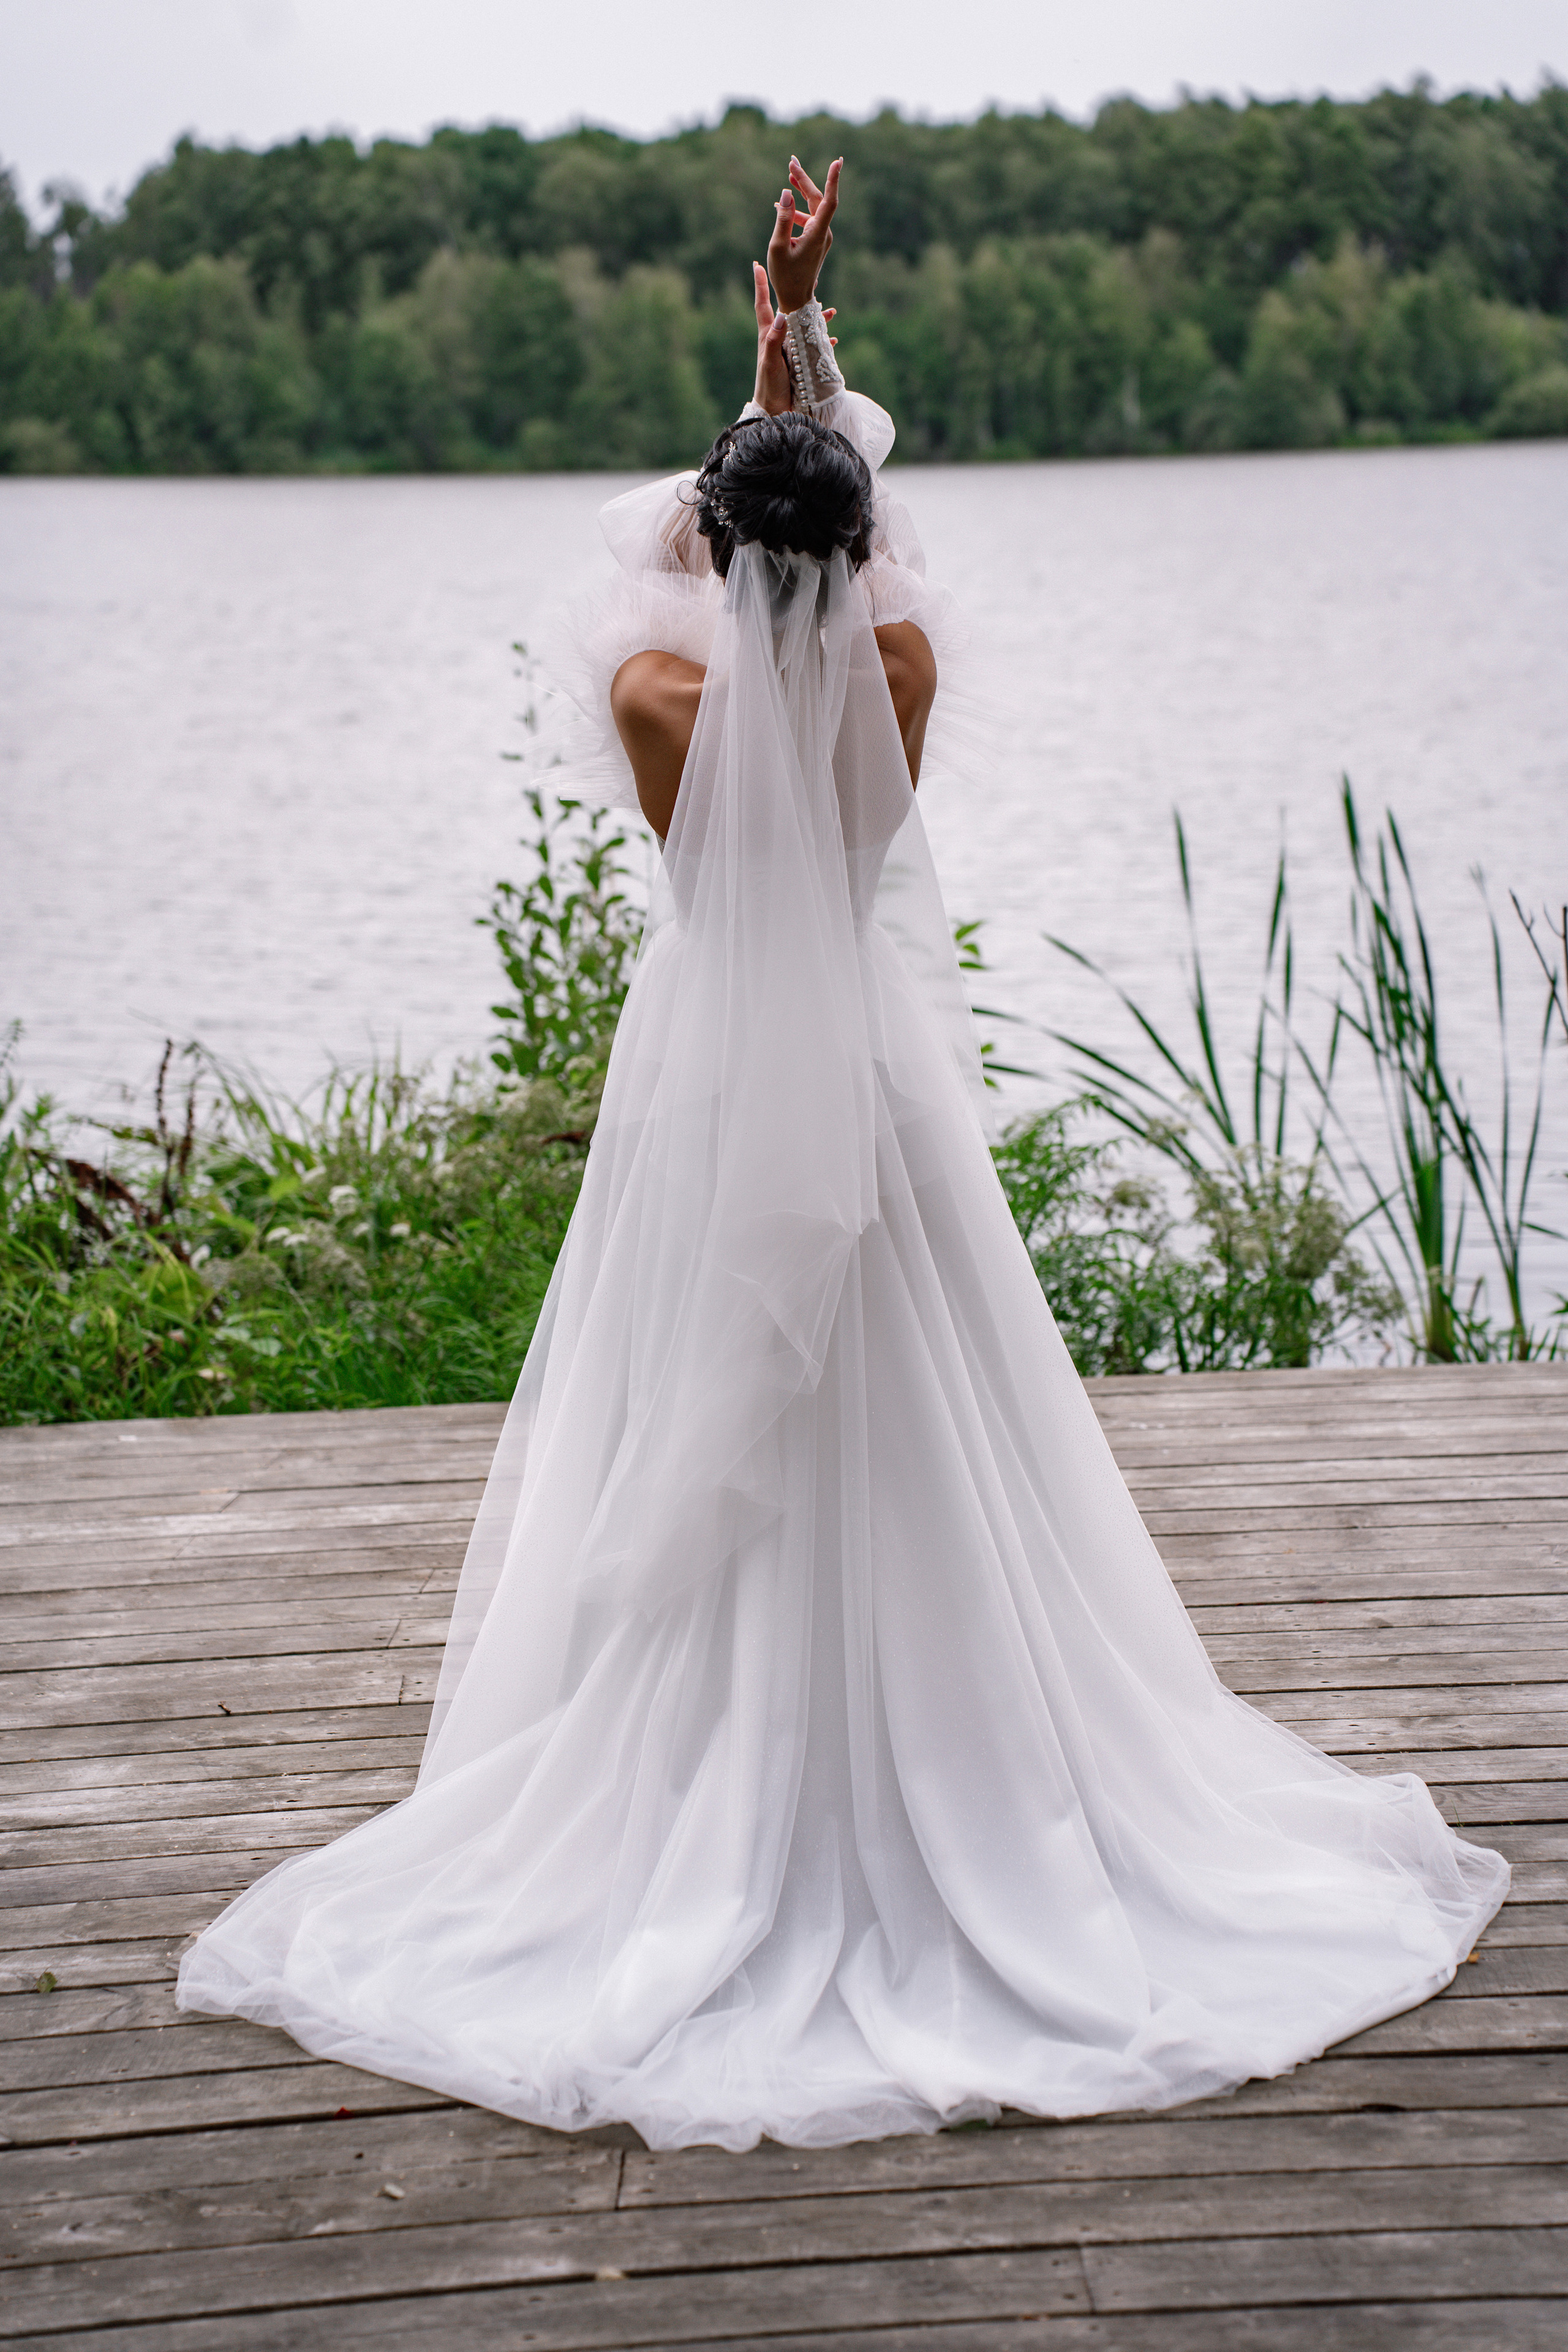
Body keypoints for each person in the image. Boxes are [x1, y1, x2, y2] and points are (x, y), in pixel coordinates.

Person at [178, 159, 1507, 2154]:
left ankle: (714, 1802)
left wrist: (770, 361)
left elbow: (712, 534)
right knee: (918, 1413)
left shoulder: (651, 693)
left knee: (695, 1410)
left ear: (707, 547)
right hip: (868, 1095)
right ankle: (967, 1781)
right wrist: (798, 335)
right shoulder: (901, 677)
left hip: (721, 1079)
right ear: (865, 552)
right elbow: (823, 532)